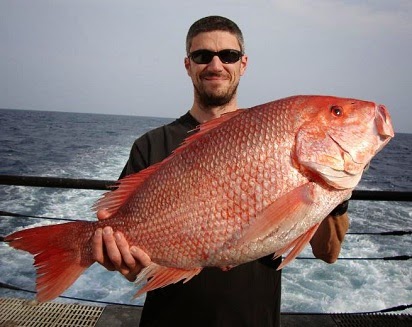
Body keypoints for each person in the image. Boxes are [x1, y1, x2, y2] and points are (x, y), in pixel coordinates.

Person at [91, 16, 350, 327]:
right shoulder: (150, 145)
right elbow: (133, 268)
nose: (215, 65)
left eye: (228, 55)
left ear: (243, 64)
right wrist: (120, 258)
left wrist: (333, 187)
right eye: (202, 56)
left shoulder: (281, 143)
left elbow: (328, 252)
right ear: (187, 65)